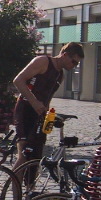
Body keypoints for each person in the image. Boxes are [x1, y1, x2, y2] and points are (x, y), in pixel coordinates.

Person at [12, 42, 84, 170]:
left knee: (36, 158)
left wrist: (48, 119)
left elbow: (48, 98)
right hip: (25, 109)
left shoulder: (60, 75)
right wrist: (34, 102)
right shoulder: (43, 62)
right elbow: (18, 80)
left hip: (39, 115)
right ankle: (14, 183)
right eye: (73, 62)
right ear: (64, 55)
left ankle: (30, 183)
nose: (74, 66)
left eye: (77, 64)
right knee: (24, 155)